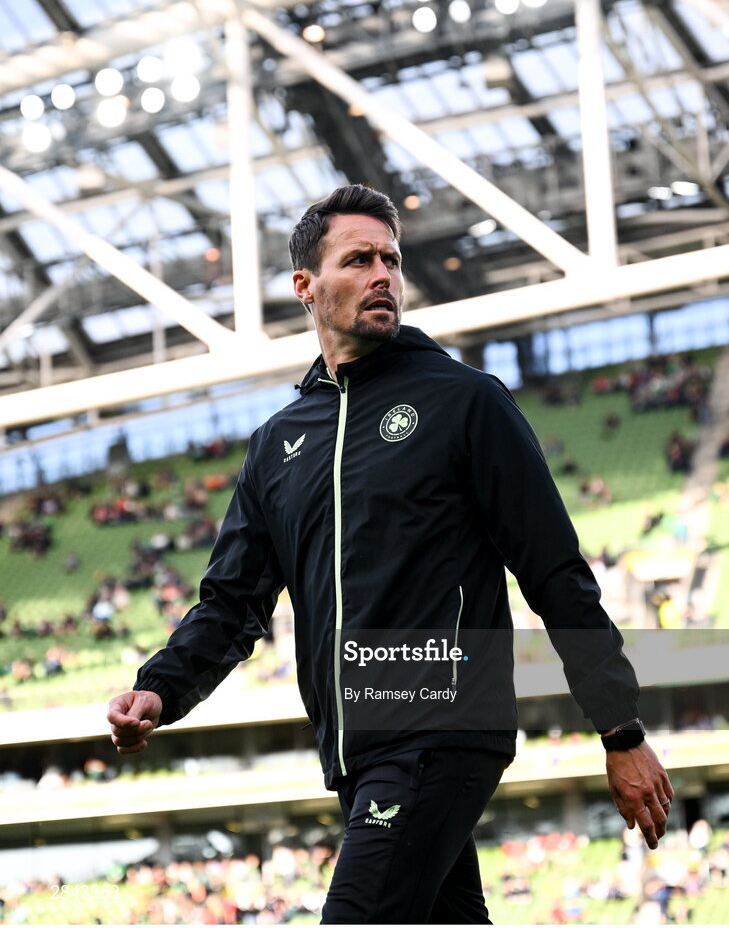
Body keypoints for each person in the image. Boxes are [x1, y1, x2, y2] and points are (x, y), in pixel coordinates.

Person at [108, 184, 673, 924]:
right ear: (306, 287)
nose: (383, 274)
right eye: (359, 259)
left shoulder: (465, 400)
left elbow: (555, 573)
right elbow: (231, 603)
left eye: (391, 259)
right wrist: (160, 688)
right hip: (357, 755)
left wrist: (620, 729)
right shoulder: (278, 445)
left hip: (439, 727)